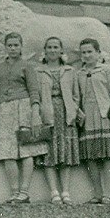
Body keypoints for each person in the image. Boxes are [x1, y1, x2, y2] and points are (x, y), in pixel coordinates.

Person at [0, 32, 48, 203]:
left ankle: (25, 192)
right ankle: (14, 191)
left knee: (27, 150)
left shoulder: (27, 66)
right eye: (10, 45)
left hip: (24, 108)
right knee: (7, 152)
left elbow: (34, 91)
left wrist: (35, 114)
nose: (13, 48)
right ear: (5, 47)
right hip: (4, 110)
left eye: (16, 45)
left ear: (21, 47)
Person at [77, 38, 110, 205]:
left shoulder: (106, 70)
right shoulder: (79, 74)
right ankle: (97, 193)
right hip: (87, 118)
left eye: (90, 51)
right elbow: (76, 97)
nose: (87, 55)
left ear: (98, 53)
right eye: (83, 52)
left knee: (107, 155)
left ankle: (106, 194)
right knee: (90, 157)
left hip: (104, 115)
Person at [36, 37, 81, 204]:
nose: (52, 50)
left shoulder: (70, 71)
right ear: (45, 50)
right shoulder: (38, 71)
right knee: (49, 152)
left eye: (56, 47)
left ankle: (66, 191)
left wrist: (74, 109)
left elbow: (76, 95)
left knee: (66, 153)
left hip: (66, 113)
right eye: (49, 47)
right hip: (47, 113)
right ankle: (54, 191)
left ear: (61, 50)